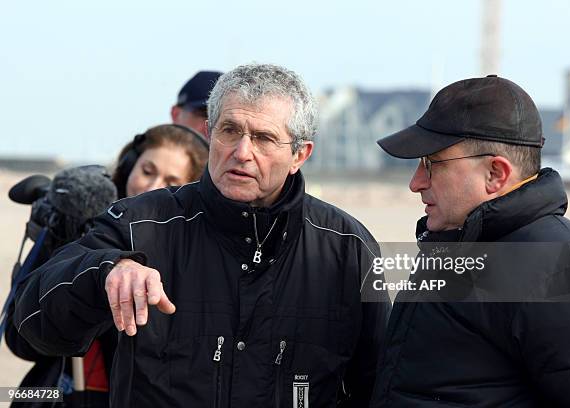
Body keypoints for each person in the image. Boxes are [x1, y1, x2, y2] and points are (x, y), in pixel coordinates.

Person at [14, 64, 391, 407]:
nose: (242, 152)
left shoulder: (348, 248)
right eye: (230, 131)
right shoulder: (138, 225)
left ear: (300, 155)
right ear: (210, 134)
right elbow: (32, 323)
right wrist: (105, 270)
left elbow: (379, 386)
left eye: (263, 138)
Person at [369, 75, 570, 407]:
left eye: (431, 163)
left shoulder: (568, 270)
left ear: (496, 174)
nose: (416, 183)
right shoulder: (454, 244)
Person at [6, 124, 209, 407]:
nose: (151, 187)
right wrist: (61, 242)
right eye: (147, 171)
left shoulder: (190, 256)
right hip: (52, 394)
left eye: (170, 182)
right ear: (129, 165)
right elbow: (20, 343)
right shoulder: (81, 225)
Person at [170, 70, 223, 139]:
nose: (213, 126)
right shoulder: (154, 148)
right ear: (176, 115)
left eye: (221, 116)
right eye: (204, 114)